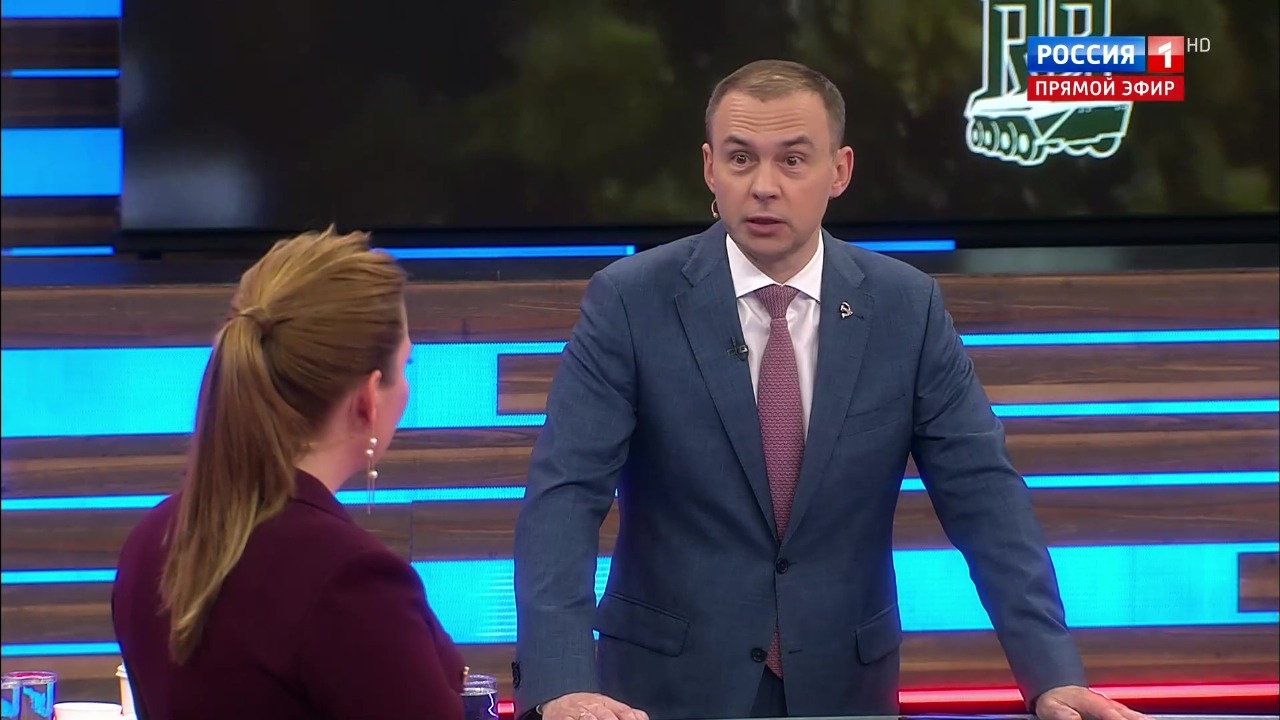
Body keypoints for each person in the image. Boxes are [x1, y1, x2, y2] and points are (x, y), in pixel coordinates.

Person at [512, 60, 1154, 720]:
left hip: (845, 691)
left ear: (839, 171)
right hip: (665, 692)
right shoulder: (630, 301)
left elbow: (985, 496)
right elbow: (564, 496)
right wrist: (560, 680)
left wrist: (1050, 675)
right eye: (741, 159)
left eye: (792, 160)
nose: (764, 186)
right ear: (709, 168)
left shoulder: (906, 308)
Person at [111, 228, 465, 719]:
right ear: (368, 397)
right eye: (407, 364)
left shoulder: (151, 541)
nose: (407, 386)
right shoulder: (352, 582)